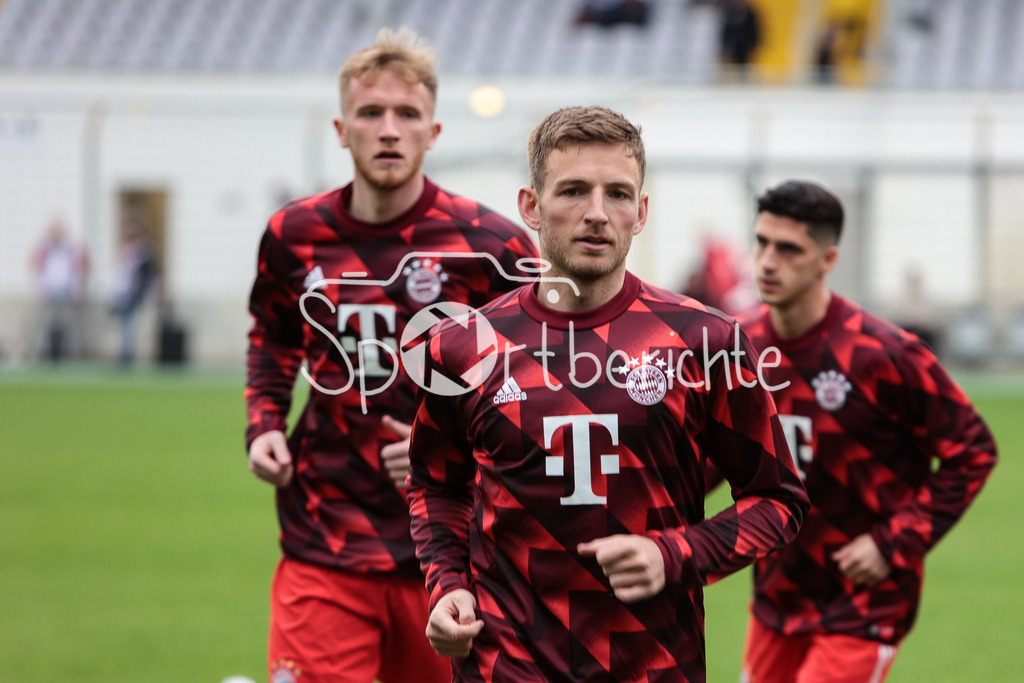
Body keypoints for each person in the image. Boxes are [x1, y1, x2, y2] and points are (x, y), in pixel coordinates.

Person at [406, 105, 809, 681]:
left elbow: (779, 501)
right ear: (530, 207)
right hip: (505, 666)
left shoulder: (704, 340)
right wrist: (446, 585)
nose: (597, 214)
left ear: (641, 212)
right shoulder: (464, 347)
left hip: (651, 666)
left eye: (617, 194)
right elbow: (434, 486)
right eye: (572, 191)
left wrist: (676, 554)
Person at [244, 28, 538, 683]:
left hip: (448, 557)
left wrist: (458, 447)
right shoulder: (294, 235)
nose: (388, 129)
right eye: (370, 113)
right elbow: (271, 333)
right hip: (325, 536)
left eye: (406, 114)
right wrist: (264, 422)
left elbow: (544, 383)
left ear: (432, 133)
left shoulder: (490, 245)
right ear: (341, 129)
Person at [731, 180, 998, 682]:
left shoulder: (884, 354)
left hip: (863, 601)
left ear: (827, 260)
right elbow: (709, 455)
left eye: (789, 249)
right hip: (777, 592)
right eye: (762, 242)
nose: (767, 261)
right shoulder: (737, 345)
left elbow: (973, 450)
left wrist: (893, 542)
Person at [29, 216, 89, 362]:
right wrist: (39, 289)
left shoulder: (70, 249)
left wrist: (77, 290)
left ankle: (68, 354)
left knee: (68, 325)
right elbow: (37, 269)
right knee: (45, 324)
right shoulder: (44, 249)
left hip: (66, 292)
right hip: (49, 292)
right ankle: (43, 352)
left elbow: (79, 270)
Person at [110, 218, 157, 365]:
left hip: (133, 293)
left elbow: (146, 273)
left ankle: (129, 354)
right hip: (123, 293)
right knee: (125, 325)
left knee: (131, 324)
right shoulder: (126, 251)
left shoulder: (142, 251)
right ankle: (125, 352)